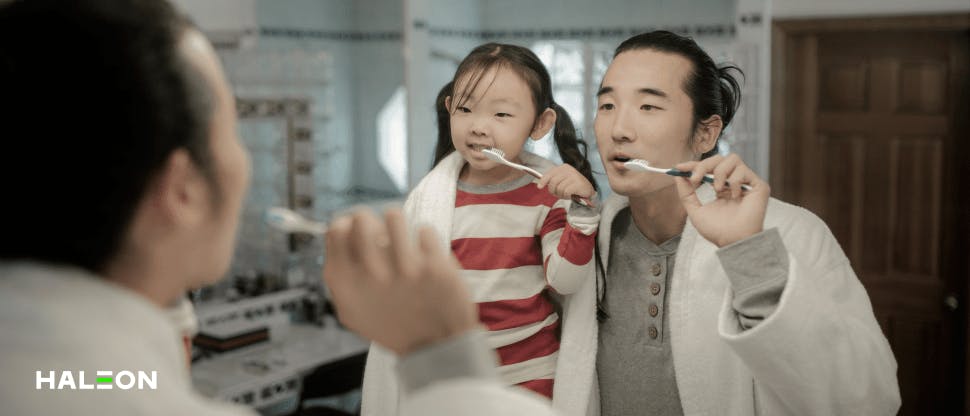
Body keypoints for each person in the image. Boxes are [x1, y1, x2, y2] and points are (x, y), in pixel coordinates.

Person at [325, 30, 902, 416]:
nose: (618, 129)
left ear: (706, 132)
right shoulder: (584, 233)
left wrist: (751, 257)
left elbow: (868, 399)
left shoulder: (790, 234)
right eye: (606, 105)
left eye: (649, 106)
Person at [362, 42, 601, 414]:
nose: (478, 126)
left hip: (531, 373)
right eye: (466, 108)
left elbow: (567, 282)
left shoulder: (545, 197)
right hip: (455, 380)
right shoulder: (432, 199)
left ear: (540, 124)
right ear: (449, 109)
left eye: (502, 114)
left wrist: (582, 214)